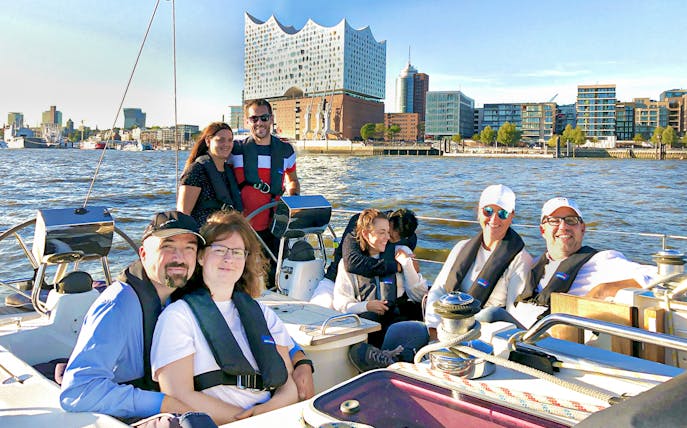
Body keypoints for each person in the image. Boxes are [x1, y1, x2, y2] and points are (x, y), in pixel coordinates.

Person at [150, 211, 298, 425]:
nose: (229, 259)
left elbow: (287, 382)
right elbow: (177, 394)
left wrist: (268, 413)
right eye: (219, 249)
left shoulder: (262, 313)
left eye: (237, 252)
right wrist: (247, 421)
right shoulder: (178, 317)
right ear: (201, 257)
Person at [60, 211, 204, 423]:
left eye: (189, 248)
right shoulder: (118, 304)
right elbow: (78, 391)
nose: (179, 258)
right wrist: (164, 403)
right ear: (144, 254)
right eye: (167, 247)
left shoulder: (177, 301)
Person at [513, 197, 655, 328]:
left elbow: (657, 276)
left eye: (571, 220)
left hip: (553, 343)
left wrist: (602, 290)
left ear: (582, 229)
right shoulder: (534, 264)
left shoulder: (602, 261)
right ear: (542, 230)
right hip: (518, 335)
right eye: (554, 220)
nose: (563, 226)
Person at [425, 184, 533, 336]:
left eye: (502, 213)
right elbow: (438, 291)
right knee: (400, 330)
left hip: (484, 335)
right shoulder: (461, 248)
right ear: (478, 212)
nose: (494, 219)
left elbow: (513, 315)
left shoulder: (521, 260)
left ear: (511, 216)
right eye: (488, 211)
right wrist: (434, 329)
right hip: (447, 327)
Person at [333, 209, 427, 346]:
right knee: (368, 323)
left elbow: (419, 295)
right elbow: (341, 304)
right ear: (365, 234)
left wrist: (407, 264)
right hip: (368, 322)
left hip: (396, 317)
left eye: (388, 232)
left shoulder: (401, 253)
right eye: (382, 233)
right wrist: (366, 306)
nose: (388, 238)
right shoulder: (349, 264)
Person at [230, 99, 300, 277]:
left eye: (264, 117)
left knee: (274, 275)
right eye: (254, 119)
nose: (259, 123)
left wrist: (293, 201)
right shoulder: (235, 150)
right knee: (243, 278)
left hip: (274, 225)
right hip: (243, 227)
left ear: (271, 119)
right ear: (247, 121)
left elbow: (292, 180)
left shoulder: (286, 151)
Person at [310, 208, 419, 310]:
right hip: (336, 279)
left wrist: (409, 265)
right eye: (384, 232)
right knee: (319, 310)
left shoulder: (409, 238)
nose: (387, 238)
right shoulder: (359, 224)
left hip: (374, 286)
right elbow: (352, 262)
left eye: (392, 238)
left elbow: (411, 265)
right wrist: (397, 266)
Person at [177, 122, 243, 226]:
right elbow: (183, 214)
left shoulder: (229, 171)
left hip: (227, 234)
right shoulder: (196, 171)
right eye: (220, 140)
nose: (226, 144)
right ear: (208, 141)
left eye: (230, 140)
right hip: (204, 235)